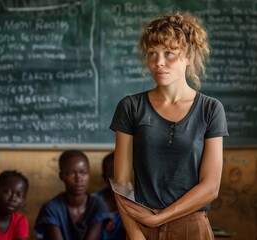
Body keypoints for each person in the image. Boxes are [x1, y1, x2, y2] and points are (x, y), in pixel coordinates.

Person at [109, 11, 229, 240]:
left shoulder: (211, 109)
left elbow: (211, 187)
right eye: (152, 53)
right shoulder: (131, 107)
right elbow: (122, 182)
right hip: (140, 225)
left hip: (191, 226)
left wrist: (158, 218)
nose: (158, 62)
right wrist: (135, 233)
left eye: (169, 53)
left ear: (188, 57)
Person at [35, 149, 110, 240]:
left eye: (83, 173)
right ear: (61, 176)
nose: (78, 179)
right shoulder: (51, 208)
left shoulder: (98, 206)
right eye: (71, 173)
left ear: (89, 174)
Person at [94, 152, 125, 240]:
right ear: (104, 177)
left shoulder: (136, 204)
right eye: (113, 176)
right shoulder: (92, 203)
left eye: (123, 175)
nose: (119, 181)